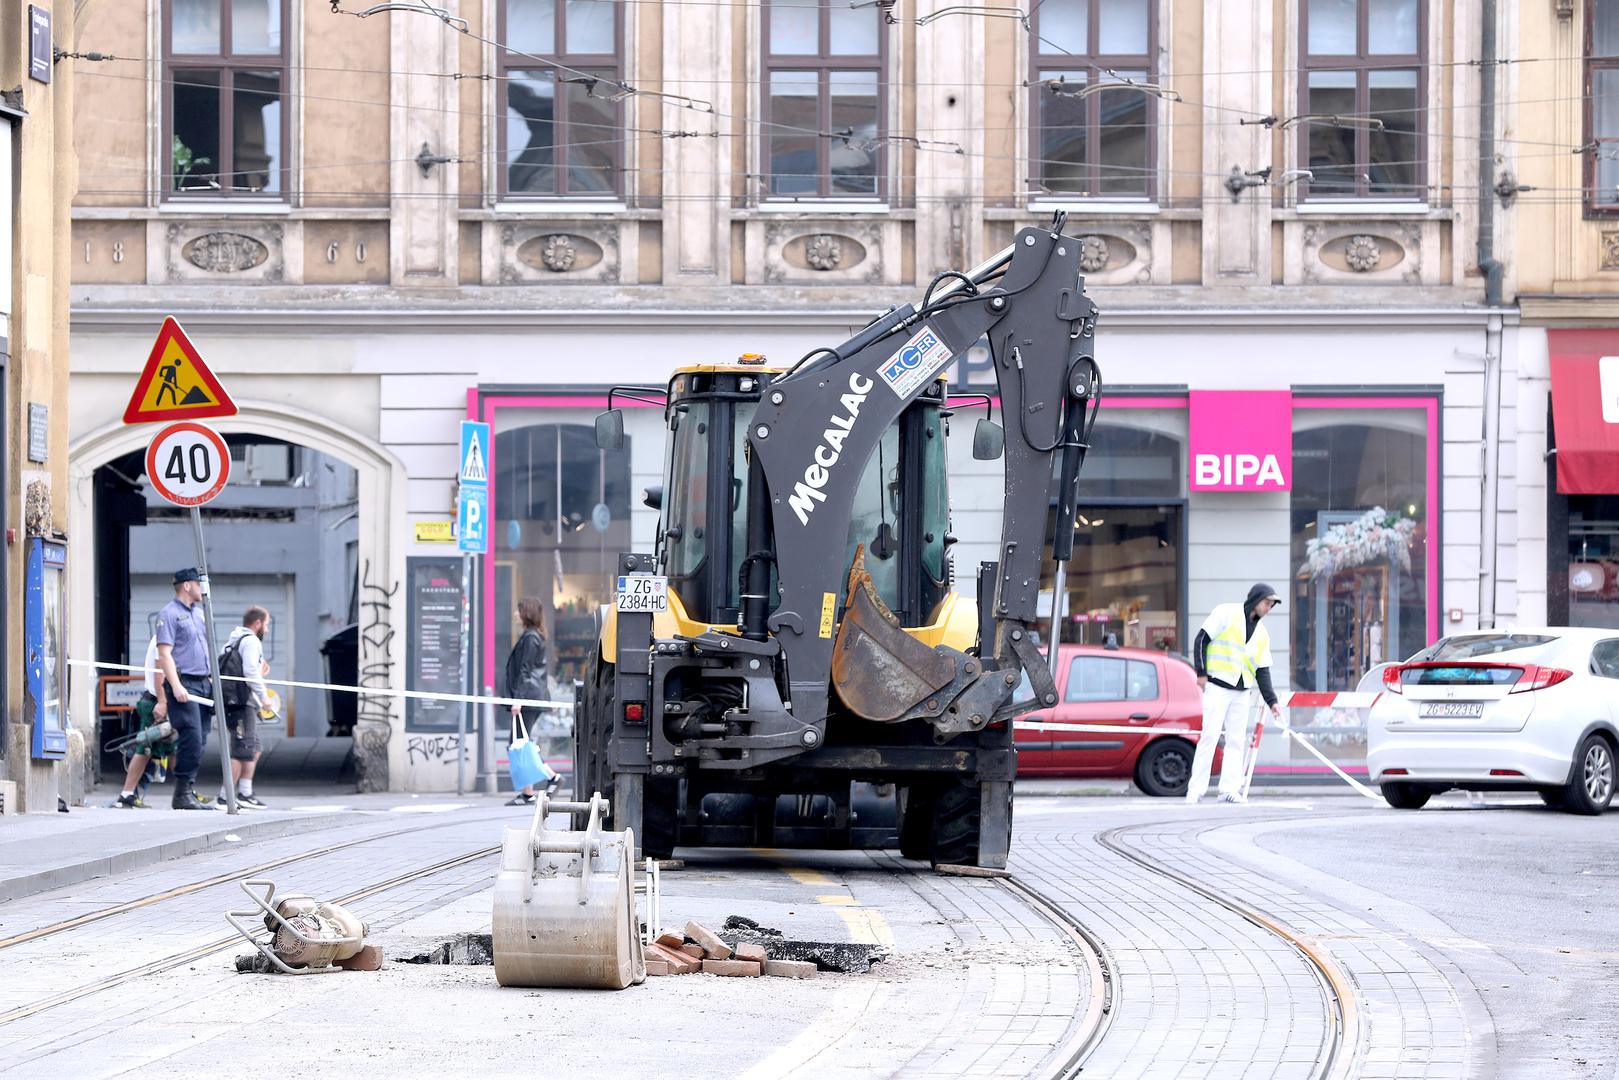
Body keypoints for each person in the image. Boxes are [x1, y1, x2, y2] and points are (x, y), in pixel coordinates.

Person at [1187, 583, 1283, 804]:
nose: (1269, 608)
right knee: (1210, 736)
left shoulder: (1262, 633)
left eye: (1272, 605)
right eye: (1267, 603)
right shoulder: (1226, 613)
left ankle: (1228, 789)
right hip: (1217, 686)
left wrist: (1272, 701)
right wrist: (1201, 673)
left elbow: (1262, 670)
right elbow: (1201, 639)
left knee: (1236, 741)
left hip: (1241, 692)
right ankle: (1196, 790)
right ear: (1256, 599)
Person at [156, 567, 218, 810]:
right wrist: (176, 685)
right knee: (191, 736)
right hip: (185, 683)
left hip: (203, 682)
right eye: (200, 584)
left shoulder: (199, 614)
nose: (203, 590)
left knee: (201, 739)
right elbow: (164, 654)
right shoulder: (169, 614)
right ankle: (181, 793)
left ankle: (189, 789)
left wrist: (211, 678)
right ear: (187, 585)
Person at [505, 597, 559, 806]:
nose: (515, 614)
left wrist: (518, 699)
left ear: (527, 613)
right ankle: (530, 791)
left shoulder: (530, 638)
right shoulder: (533, 636)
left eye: (518, 610)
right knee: (520, 741)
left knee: (519, 742)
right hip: (531, 697)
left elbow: (525, 670)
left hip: (528, 698)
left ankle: (551, 778)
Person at [219, 606, 272, 808]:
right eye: (266, 624)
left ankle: (245, 792)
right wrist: (264, 697)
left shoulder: (234, 640)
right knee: (242, 750)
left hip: (238, 701)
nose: (267, 629)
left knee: (254, 748)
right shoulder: (251, 641)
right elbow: (250, 672)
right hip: (242, 703)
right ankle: (226, 797)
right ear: (257, 623)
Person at [115, 636, 177, 809]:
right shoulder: (164, 637)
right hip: (156, 702)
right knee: (150, 748)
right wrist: (163, 702)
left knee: (158, 749)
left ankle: (127, 793)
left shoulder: (164, 636)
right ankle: (184, 790)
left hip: (155, 700)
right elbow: (160, 671)